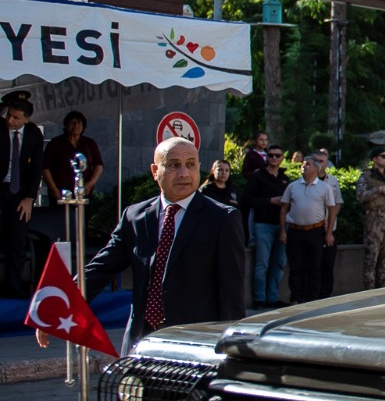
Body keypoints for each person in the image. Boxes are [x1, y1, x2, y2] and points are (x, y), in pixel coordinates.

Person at [38, 137, 245, 354]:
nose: (184, 173)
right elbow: (100, 268)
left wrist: (232, 350)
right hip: (142, 341)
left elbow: (232, 293)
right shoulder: (135, 217)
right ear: (155, 171)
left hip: (194, 344)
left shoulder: (222, 218)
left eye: (191, 164)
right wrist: (56, 306)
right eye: (174, 165)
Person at [1, 90, 46, 298]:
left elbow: (38, 168)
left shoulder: (34, 133)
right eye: (9, 115)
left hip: (19, 193)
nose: (10, 120)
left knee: (17, 241)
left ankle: (14, 287)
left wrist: (29, 198)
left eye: (16, 117)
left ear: (26, 119)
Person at [279, 155, 339, 304]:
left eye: (308, 165)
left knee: (315, 267)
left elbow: (331, 210)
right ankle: (296, 298)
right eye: (303, 165)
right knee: (296, 267)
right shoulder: (293, 186)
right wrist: (283, 231)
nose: (304, 167)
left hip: (316, 231)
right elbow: (283, 209)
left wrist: (329, 232)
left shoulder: (324, 187)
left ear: (316, 169)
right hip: (295, 231)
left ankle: (312, 299)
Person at [241, 144, 289, 307]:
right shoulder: (257, 176)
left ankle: (273, 297)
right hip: (263, 224)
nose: (274, 158)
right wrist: (269, 201)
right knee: (262, 263)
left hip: (282, 225)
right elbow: (247, 199)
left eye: (277, 155)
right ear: (266, 157)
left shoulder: (285, 178)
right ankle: (260, 298)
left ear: (282, 158)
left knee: (279, 262)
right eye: (271, 155)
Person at [356, 149, 385, 290]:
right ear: (375, 159)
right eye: (383, 157)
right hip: (375, 220)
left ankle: (384, 289)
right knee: (371, 258)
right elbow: (361, 196)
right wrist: (379, 190)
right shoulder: (367, 176)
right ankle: (369, 290)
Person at [41, 110, 104, 201]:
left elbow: (98, 165)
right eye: (73, 123)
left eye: (79, 123)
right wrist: (53, 188)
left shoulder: (89, 143)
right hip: (60, 193)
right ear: (66, 125)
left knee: (82, 215)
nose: (76, 126)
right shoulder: (56, 143)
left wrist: (90, 183)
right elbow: (45, 167)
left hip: (83, 192)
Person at [314, 150, 343, 298]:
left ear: (327, 164)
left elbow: (338, 203)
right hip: (312, 229)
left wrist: (330, 221)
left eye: (322, 161)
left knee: (327, 264)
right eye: (316, 161)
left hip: (330, 229)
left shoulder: (333, 181)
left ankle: (325, 294)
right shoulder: (306, 179)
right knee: (313, 265)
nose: (319, 164)